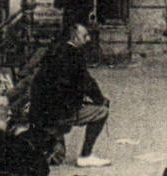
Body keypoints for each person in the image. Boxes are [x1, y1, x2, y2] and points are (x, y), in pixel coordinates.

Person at [29, 21, 111, 168]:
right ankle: (86, 155)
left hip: (42, 111)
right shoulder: (75, 55)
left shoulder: (54, 51)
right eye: (85, 36)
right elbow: (87, 83)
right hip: (61, 113)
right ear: (75, 37)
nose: (88, 39)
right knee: (102, 112)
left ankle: (51, 143)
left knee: (56, 154)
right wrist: (101, 100)